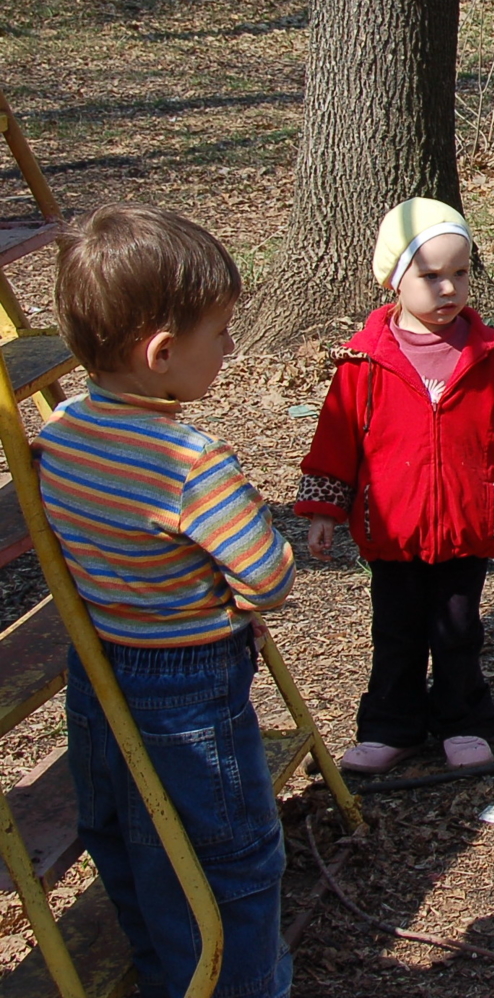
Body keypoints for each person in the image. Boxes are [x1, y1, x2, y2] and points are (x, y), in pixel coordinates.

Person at [37, 205, 295, 998]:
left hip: (102, 669)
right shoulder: (191, 462)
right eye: (219, 332)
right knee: (230, 857)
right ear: (160, 353)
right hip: (190, 684)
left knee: (133, 838)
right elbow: (269, 579)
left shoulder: (62, 433)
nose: (230, 346)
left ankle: (166, 980)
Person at [295, 198, 494, 776]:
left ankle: (463, 722)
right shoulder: (365, 361)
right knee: (397, 633)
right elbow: (337, 440)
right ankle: (391, 726)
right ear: (394, 279)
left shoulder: (488, 355)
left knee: (459, 629)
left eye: (459, 273)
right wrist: (325, 510)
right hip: (391, 527)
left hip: (466, 523)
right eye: (430, 276)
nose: (448, 289)